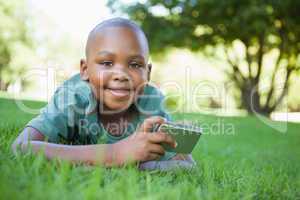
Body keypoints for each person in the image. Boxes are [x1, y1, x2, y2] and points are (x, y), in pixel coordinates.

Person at [12, 17, 196, 171]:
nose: (121, 75)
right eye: (107, 63)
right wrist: (116, 154)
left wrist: (137, 164)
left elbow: (186, 165)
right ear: (85, 69)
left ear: (147, 73)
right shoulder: (73, 98)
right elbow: (21, 148)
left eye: (135, 65)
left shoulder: (153, 103)